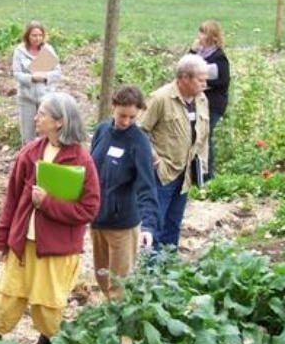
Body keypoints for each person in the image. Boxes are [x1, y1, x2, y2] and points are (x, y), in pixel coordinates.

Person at [0, 92, 100, 344]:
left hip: (56, 248)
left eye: (42, 114)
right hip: (23, 243)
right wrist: (2, 239)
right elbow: (12, 199)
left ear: (59, 122)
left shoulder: (81, 160)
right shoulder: (30, 153)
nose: (36, 117)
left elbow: (89, 209)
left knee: (48, 303)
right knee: (8, 295)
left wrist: (48, 203)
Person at [90, 85, 159, 300]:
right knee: (101, 277)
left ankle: (122, 331)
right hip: (98, 219)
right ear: (113, 107)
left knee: (119, 285)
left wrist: (148, 224)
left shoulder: (139, 142)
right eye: (122, 115)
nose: (126, 121)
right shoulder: (102, 131)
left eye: (132, 117)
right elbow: (91, 171)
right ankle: (108, 323)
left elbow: (147, 186)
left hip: (123, 225)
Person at [139, 54, 209, 250]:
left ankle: (168, 271)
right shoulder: (161, 98)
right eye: (200, 80)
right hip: (163, 173)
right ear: (184, 78)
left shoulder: (202, 100)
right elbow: (140, 130)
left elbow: (204, 134)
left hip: (185, 173)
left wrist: (201, 166)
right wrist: (154, 159)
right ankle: (150, 273)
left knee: (173, 226)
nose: (205, 84)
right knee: (154, 225)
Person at [190, 20, 230, 180]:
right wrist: (192, 51)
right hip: (196, 103)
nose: (200, 36)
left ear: (213, 37)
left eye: (203, 33)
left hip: (213, 105)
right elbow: (184, 69)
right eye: (200, 32)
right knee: (193, 135)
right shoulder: (198, 54)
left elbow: (222, 80)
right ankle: (194, 173)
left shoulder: (219, 57)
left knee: (205, 135)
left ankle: (207, 176)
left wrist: (201, 82)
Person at [12, 21, 62, 145]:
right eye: (34, 35)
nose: (37, 38)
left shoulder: (48, 50)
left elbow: (57, 72)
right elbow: (17, 74)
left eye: (40, 35)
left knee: (46, 131)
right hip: (26, 98)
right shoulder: (20, 51)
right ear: (28, 36)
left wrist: (45, 76)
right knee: (27, 134)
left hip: (45, 97)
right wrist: (31, 78)